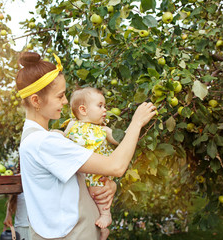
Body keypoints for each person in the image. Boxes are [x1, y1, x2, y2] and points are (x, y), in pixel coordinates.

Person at [16, 51, 156, 240]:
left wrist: (108, 188)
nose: (66, 101)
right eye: (60, 96)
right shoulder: (44, 143)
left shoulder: (42, 138)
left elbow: (71, 186)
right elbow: (116, 166)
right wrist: (136, 123)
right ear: (36, 100)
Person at [63, 87, 119, 240]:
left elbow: (119, 139)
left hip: (97, 173)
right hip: (81, 172)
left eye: (104, 106)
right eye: (100, 106)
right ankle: (102, 230)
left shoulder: (104, 130)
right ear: (83, 110)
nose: (105, 110)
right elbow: (64, 139)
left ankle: (106, 215)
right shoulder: (71, 125)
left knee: (99, 192)